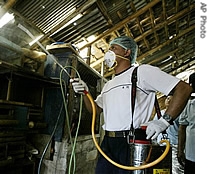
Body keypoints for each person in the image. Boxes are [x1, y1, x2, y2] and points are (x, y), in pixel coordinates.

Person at [71, 36, 193, 174]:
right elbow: (95, 110)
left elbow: (184, 89)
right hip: (108, 143)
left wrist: (164, 121)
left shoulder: (141, 72)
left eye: (113, 48)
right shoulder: (108, 84)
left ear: (127, 52)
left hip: (132, 143)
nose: (108, 52)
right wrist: (85, 92)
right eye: (108, 48)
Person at [153, 94, 184, 174]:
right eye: (167, 98)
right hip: (161, 145)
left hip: (174, 145)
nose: (168, 100)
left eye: (171, 99)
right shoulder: (159, 114)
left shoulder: (180, 114)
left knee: (176, 169)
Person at [178, 72, 195, 174]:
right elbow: (182, 127)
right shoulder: (188, 104)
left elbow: (182, 128)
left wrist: (180, 150)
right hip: (191, 153)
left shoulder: (188, 104)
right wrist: (180, 150)